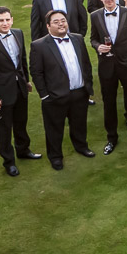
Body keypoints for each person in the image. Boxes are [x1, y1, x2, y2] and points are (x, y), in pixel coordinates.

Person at [0, 6, 40, 176]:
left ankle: (23, 151)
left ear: (12, 19)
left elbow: (22, 60)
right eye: (1, 20)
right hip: (1, 95)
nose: (5, 23)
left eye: (7, 19)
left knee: (21, 122)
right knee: (4, 129)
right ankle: (9, 162)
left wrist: (26, 81)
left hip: (20, 89)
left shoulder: (18, 33)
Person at [29, 10, 96, 170]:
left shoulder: (78, 39)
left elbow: (86, 64)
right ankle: (55, 157)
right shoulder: (39, 46)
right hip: (54, 97)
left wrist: (88, 87)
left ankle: (81, 146)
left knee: (79, 124)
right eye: (56, 22)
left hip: (79, 92)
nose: (61, 24)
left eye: (63, 20)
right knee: (54, 129)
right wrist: (45, 95)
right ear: (48, 26)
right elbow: (36, 72)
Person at [90, 0, 127, 155]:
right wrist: (98, 46)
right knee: (109, 103)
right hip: (106, 66)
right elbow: (92, 39)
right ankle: (111, 138)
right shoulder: (95, 15)